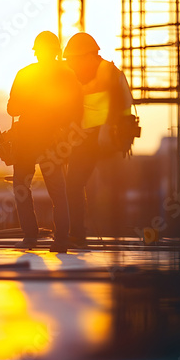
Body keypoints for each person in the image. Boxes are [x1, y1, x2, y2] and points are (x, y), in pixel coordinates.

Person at [7, 31, 83, 253]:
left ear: (37, 52)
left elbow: (12, 108)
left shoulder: (25, 74)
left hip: (27, 140)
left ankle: (30, 237)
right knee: (58, 191)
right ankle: (61, 240)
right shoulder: (67, 75)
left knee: (21, 187)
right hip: (53, 140)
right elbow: (77, 111)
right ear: (56, 52)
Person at [64, 32, 132, 248]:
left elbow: (124, 105)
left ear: (87, 56)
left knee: (107, 189)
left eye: (74, 60)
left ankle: (108, 235)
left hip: (107, 140)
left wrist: (111, 129)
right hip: (85, 140)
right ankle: (77, 233)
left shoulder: (109, 73)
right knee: (73, 184)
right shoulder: (80, 76)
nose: (72, 66)